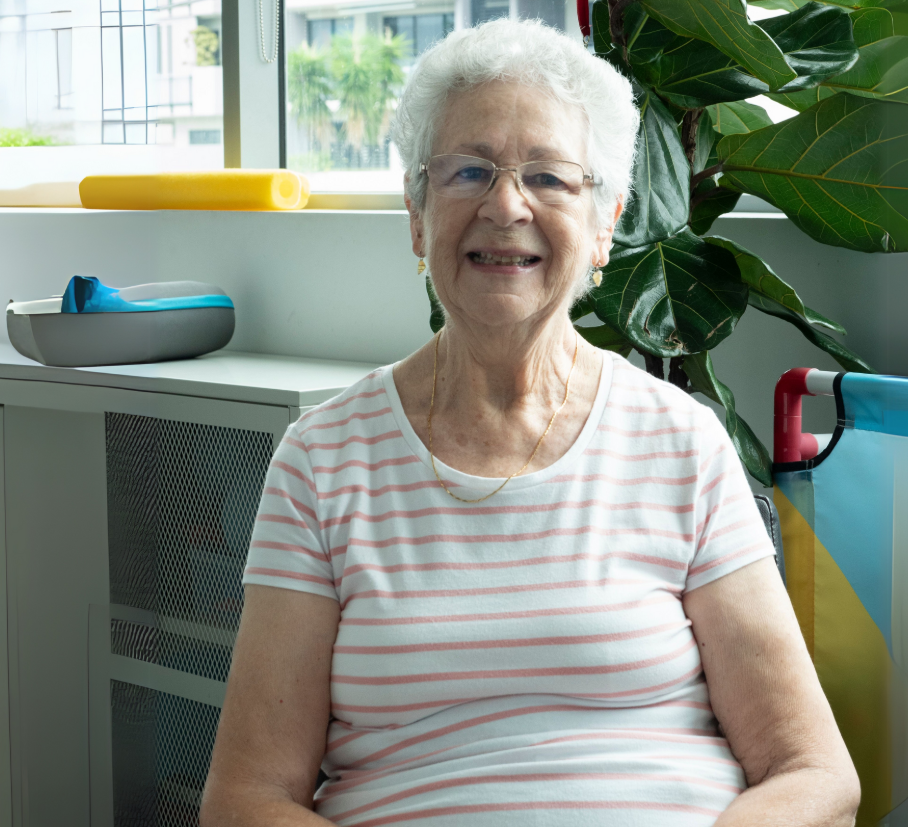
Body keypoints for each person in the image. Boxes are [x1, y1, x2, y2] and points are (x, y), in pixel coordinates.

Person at [201, 18, 858, 827]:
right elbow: (246, 800)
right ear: (416, 214)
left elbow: (814, 769)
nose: (505, 206)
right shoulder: (323, 460)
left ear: (603, 225)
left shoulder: (681, 441)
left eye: (548, 178)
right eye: (469, 170)